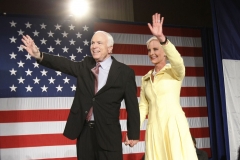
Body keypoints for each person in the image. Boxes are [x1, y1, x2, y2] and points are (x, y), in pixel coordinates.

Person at [21, 31, 140, 160]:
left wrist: (133, 133)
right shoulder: (86, 65)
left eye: (99, 43)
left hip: (109, 135)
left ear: (110, 48)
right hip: (85, 133)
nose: (94, 46)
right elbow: (64, 64)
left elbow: (132, 106)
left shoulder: (125, 73)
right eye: (92, 43)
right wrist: (39, 55)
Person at [137, 13, 198, 160]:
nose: (152, 53)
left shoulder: (175, 72)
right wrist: (134, 130)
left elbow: (178, 61)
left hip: (173, 128)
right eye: (149, 50)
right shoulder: (145, 79)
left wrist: (162, 39)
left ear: (165, 52)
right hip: (154, 130)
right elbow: (143, 107)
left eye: (156, 49)